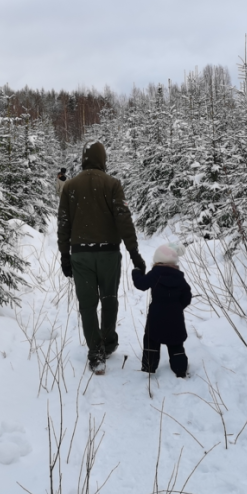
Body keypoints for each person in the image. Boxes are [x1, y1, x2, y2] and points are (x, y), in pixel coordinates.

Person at [57, 141, 145, 372]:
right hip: (108, 253)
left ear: (84, 158)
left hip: (81, 255)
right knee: (109, 298)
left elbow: (63, 224)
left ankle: (95, 352)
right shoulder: (113, 184)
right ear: (103, 158)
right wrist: (134, 252)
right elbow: (123, 220)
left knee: (87, 304)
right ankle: (108, 342)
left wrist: (64, 255)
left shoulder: (70, 187)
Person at [132, 243, 191, 378]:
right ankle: (180, 369)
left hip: (156, 314)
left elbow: (141, 284)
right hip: (175, 316)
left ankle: (149, 365)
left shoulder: (155, 274)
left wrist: (136, 272)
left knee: (151, 338)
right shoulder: (179, 277)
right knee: (175, 342)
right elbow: (187, 296)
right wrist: (177, 307)